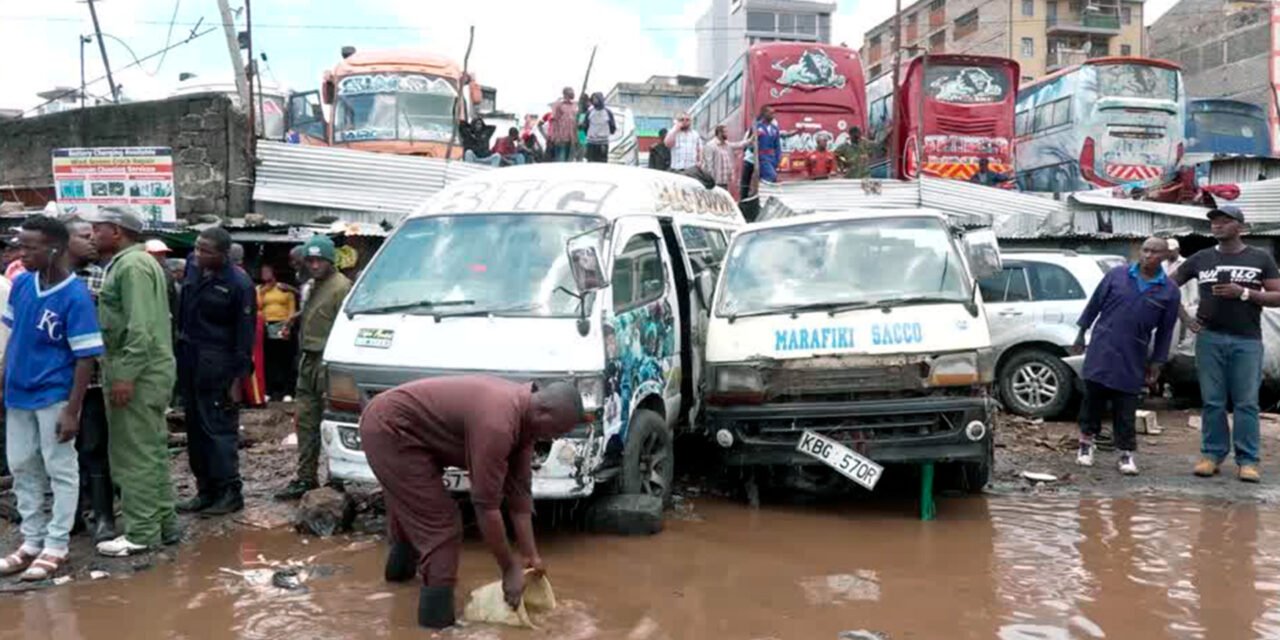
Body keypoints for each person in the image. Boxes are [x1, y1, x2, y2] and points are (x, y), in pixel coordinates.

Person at [361, 376, 582, 628]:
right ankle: (435, 627)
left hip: (408, 431)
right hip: (389, 430)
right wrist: (508, 570)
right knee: (441, 526)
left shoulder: (526, 420)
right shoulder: (498, 424)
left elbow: (519, 494)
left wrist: (530, 555)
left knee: (417, 513)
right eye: (556, 431)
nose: (553, 439)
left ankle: (398, 587)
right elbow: (486, 506)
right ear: (543, 412)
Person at [0, 215, 103, 580]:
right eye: (20, 245)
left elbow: (85, 356)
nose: (21, 253)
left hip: (54, 393)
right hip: (18, 392)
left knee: (60, 468)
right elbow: (11, 338)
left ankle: (56, 544)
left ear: (55, 248)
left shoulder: (75, 296)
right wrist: (2, 382)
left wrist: (73, 410)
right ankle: (31, 540)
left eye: (30, 247)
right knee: (22, 465)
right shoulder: (23, 284)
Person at [89, 206, 179, 556]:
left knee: (132, 454)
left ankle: (141, 532)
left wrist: (124, 375)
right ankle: (164, 524)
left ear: (117, 231)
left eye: (98, 228)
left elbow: (139, 327)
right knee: (152, 450)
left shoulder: (130, 266)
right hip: (149, 371)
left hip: (137, 373)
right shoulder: (138, 263)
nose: (92, 235)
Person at [1172, 205, 1280, 482]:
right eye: (1214, 221)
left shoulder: (1260, 257)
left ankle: (1248, 461)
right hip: (1209, 339)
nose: (1217, 225)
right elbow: (1168, 286)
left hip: (1247, 340)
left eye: (1224, 221)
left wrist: (1243, 292)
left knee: (1246, 403)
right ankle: (1212, 455)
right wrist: (1185, 317)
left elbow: (1277, 296)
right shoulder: (1201, 258)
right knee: (1212, 402)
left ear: (1240, 227)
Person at [1073, 237, 1180, 475]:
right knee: (1093, 398)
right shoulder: (1117, 275)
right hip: (1103, 345)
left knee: (1126, 402)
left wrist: (1157, 362)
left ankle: (1125, 453)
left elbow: (1166, 331)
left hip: (1134, 351)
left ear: (1164, 256)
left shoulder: (1169, 291)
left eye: (1154, 252)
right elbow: (1094, 305)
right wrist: (1080, 335)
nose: (1147, 255)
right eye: (1145, 250)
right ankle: (1085, 445)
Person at [175, 227, 256, 516]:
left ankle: (229, 492)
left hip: (220, 367)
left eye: (206, 251)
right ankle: (205, 491)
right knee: (195, 431)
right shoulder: (193, 269)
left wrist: (238, 379)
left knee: (219, 432)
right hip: (190, 362)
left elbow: (245, 336)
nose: (198, 254)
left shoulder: (239, 284)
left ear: (224, 254)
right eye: (197, 248)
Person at [275, 235, 353, 500]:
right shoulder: (311, 286)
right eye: (310, 260)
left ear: (331, 260)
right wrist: (294, 320)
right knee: (306, 421)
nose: (315, 264)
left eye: (320, 260)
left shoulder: (342, 287)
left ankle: (336, 478)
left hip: (329, 362)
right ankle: (306, 477)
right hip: (308, 359)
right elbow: (313, 312)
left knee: (331, 421)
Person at [66, 217, 114, 542]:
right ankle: (70, 516)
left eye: (93, 234)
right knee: (61, 452)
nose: (92, 240)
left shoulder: (103, 279)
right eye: (84, 236)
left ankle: (104, 516)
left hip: (94, 379)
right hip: (57, 382)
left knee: (95, 447)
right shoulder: (42, 280)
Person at [258, 264, 297, 401]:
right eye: (262, 271)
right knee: (269, 359)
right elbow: (257, 306)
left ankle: (288, 391)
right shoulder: (259, 290)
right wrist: (263, 292)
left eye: (267, 271)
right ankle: (269, 390)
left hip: (282, 324)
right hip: (266, 326)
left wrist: (288, 325)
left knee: (285, 359)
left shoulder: (283, 288)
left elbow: (291, 308)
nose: (264, 274)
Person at [702, 124, 751, 190]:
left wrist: (750, 140)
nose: (727, 134)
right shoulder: (711, 146)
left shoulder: (726, 144)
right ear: (719, 133)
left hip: (725, 181)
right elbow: (709, 164)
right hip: (715, 182)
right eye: (725, 132)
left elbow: (738, 145)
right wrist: (711, 180)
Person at [582, 93, 616, 164]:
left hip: (603, 142)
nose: (594, 101)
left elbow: (612, 126)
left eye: (596, 99)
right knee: (590, 162)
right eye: (593, 99)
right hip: (591, 142)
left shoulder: (607, 112)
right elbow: (585, 125)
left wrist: (607, 133)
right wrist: (588, 134)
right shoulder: (590, 112)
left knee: (602, 163)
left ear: (600, 99)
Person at [547, 87, 578, 163]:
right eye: (569, 92)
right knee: (560, 158)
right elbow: (554, 121)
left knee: (568, 159)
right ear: (565, 94)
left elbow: (576, 120)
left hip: (571, 137)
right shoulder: (559, 105)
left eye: (572, 92)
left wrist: (577, 137)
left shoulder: (574, 105)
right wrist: (553, 136)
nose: (571, 94)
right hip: (560, 136)